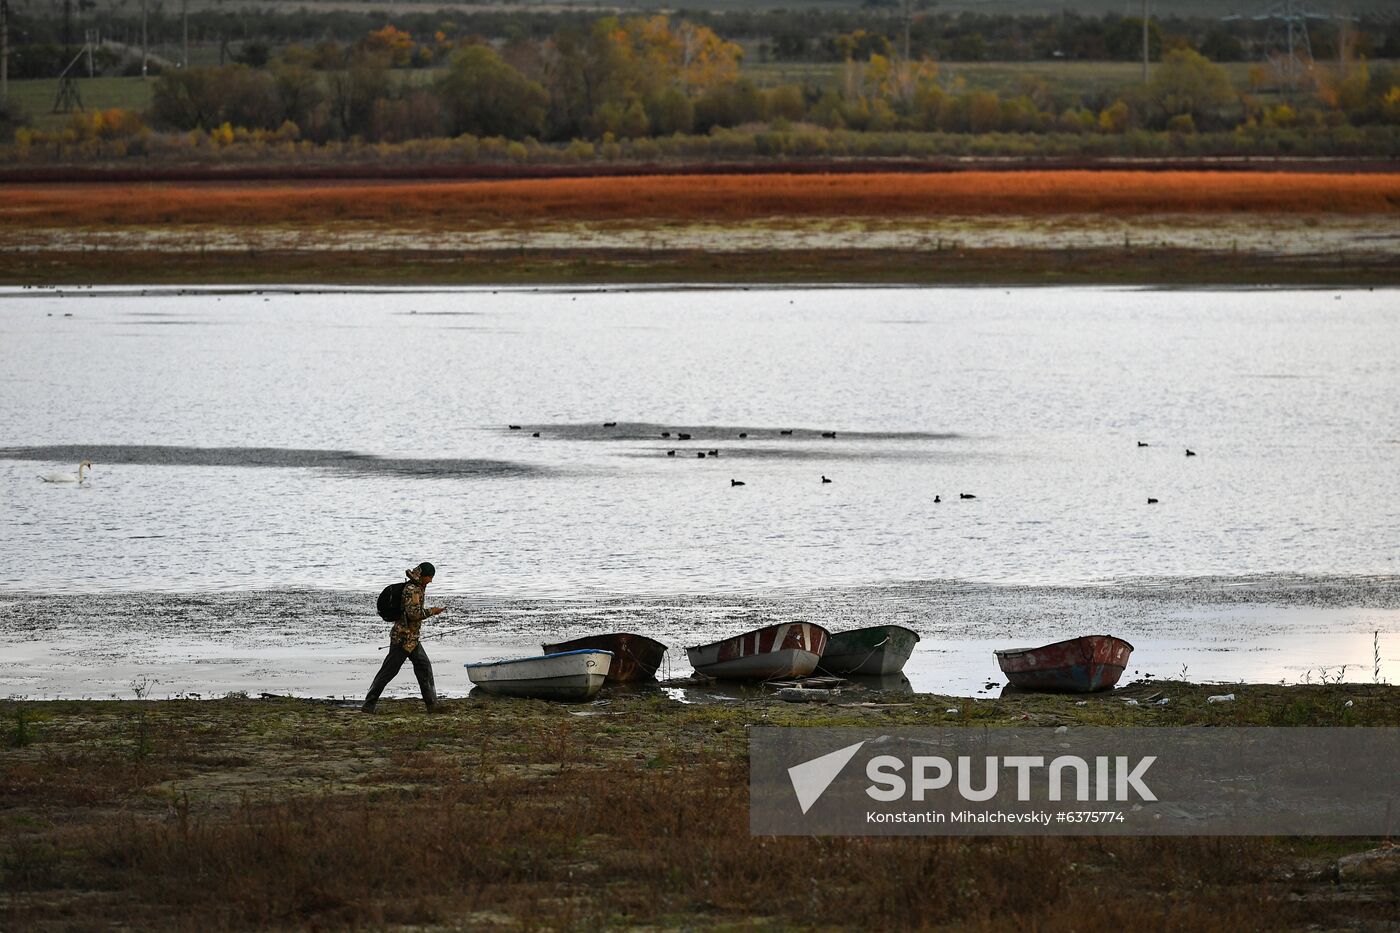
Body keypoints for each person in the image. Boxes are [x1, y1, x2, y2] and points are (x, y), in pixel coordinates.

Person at [362, 561, 447, 713]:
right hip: (402, 639)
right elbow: (413, 614)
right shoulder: (413, 589)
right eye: (430, 577)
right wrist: (432, 611)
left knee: (424, 668)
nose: (431, 581)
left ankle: (432, 706)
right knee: (388, 672)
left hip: (412, 639)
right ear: (423, 576)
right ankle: (368, 705)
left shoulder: (418, 587)